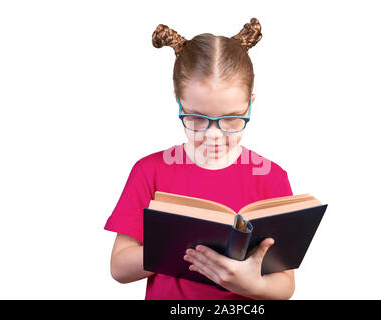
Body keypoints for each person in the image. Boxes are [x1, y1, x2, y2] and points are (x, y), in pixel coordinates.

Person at [104, 18, 295, 300]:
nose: (213, 135)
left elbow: (285, 285)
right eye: (196, 118)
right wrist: (179, 245)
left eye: (231, 119)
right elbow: (119, 267)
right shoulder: (150, 171)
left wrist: (251, 285)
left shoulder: (270, 177)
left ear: (251, 103)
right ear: (178, 101)